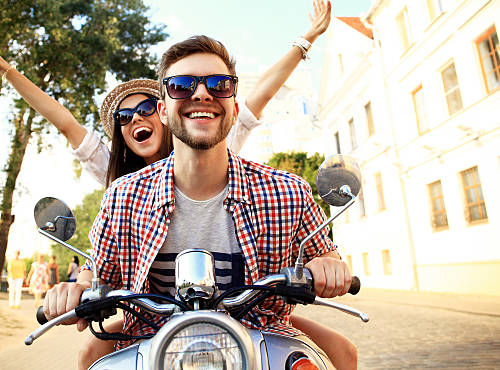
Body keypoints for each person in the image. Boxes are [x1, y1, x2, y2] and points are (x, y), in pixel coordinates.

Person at [45, 33, 358, 369]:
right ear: (164, 111)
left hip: (259, 333)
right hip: (153, 342)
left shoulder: (287, 191)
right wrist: (75, 289)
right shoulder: (122, 196)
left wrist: (329, 265)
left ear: (234, 108)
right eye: (181, 85)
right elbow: (97, 273)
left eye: (219, 84)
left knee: (340, 355)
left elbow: (324, 254)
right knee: (91, 358)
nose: (201, 93)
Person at [0, 0, 333, 188]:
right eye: (124, 115)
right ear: (122, 132)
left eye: (146, 107)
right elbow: (64, 122)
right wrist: (9, 72)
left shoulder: (207, 143)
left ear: (166, 112)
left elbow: (259, 97)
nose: (136, 117)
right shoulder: (117, 177)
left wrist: (306, 40)